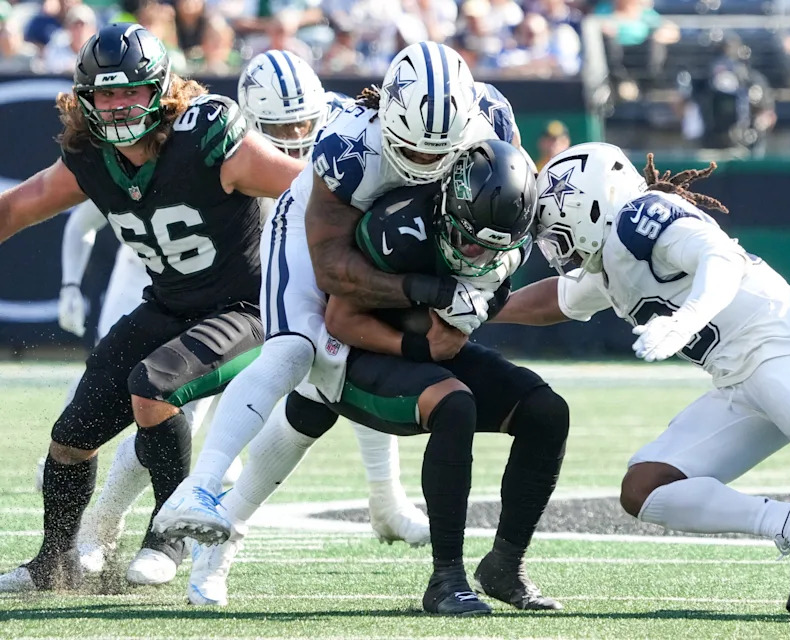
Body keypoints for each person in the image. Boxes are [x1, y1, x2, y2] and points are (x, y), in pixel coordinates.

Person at [491, 142, 790, 614]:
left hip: (783, 344)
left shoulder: (641, 218)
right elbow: (559, 299)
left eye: (555, 226)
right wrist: (477, 310)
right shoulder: (610, 261)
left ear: (591, 202)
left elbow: (721, 259)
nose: (553, 243)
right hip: (740, 378)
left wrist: (687, 316)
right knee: (646, 487)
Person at [156, 40, 523, 552]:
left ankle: (237, 530)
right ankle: (199, 488)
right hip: (318, 232)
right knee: (296, 350)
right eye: (414, 148)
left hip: (403, 231)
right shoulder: (349, 146)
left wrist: (488, 282)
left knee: (321, 390)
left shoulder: (494, 124)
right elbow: (331, 270)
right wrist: (426, 290)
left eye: (442, 152)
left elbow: (517, 214)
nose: (427, 162)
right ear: (388, 117)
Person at [187, 140, 569, 615]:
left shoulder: (506, 239)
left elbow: (492, 295)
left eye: (493, 245)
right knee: (451, 404)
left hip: (426, 347)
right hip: (352, 348)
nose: (476, 252)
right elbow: (342, 317)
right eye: (470, 237)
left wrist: (468, 315)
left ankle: (505, 566)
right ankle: (446, 579)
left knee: (546, 412)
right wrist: (419, 343)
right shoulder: (399, 225)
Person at [0, 23, 303, 592]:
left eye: (130, 92)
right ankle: (53, 564)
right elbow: (17, 208)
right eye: (105, 95)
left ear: (159, 91)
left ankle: (168, 537)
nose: (117, 107)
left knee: (153, 387)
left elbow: (308, 193)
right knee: (71, 434)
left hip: (248, 310)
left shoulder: (209, 140)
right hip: (168, 304)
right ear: (86, 100)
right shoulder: (91, 155)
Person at [47, 199, 234, 586]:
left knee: (174, 412)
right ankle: (85, 536)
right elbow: (80, 217)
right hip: (139, 288)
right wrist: (69, 283)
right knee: (98, 406)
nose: (291, 134)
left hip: (216, 305)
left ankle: (107, 525)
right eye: (281, 130)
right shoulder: (131, 163)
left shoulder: (254, 167)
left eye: (298, 130)